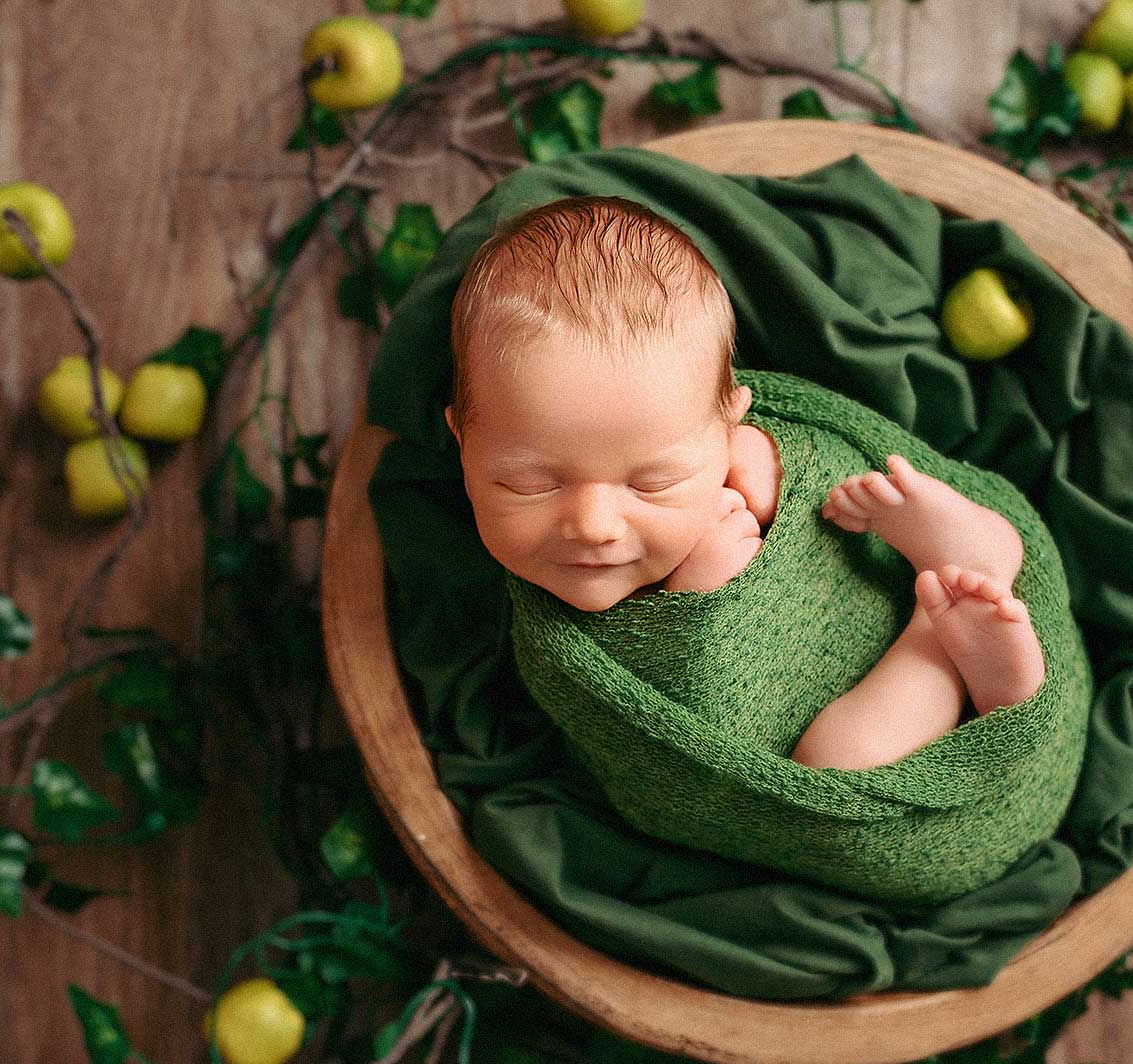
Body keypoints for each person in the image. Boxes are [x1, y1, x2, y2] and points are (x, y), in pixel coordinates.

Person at [443, 194, 1045, 771]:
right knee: (833, 763)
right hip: (854, 712)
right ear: (462, 441)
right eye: (530, 484)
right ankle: (958, 653)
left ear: (727, 427)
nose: (594, 525)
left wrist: (776, 460)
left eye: (654, 481)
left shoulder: (742, 453)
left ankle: (967, 585)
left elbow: (816, 460)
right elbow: (679, 755)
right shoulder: (549, 639)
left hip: (869, 584)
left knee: (844, 742)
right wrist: (690, 610)